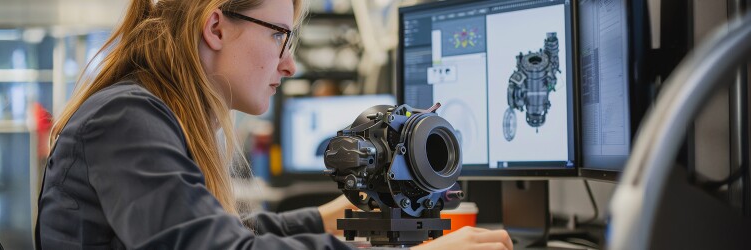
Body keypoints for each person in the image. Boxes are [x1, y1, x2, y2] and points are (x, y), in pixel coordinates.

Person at [35, 0, 513, 249]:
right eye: (280, 37)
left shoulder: (151, 111)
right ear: (216, 27)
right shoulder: (127, 118)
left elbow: (221, 231)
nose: (289, 65)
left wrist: (330, 218)